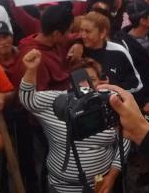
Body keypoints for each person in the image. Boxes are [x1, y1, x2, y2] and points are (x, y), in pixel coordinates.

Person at [19, 49, 128, 193]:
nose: (86, 86)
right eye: (80, 81)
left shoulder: (109, 101)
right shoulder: (57, 101)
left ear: (100, 81)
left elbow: (126, 137)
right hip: (62, 187)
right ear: (70, 83)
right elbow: (28, 99)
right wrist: (31, 69)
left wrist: (113, 175)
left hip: (101, 185)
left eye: (92, 80)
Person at [78, 11, 143, 93]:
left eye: (88, 31)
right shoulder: (77, 51)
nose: (83, 35)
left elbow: (136, 84)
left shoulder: (119, 52)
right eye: (81, 30)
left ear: (102, 33)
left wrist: (111, 86)